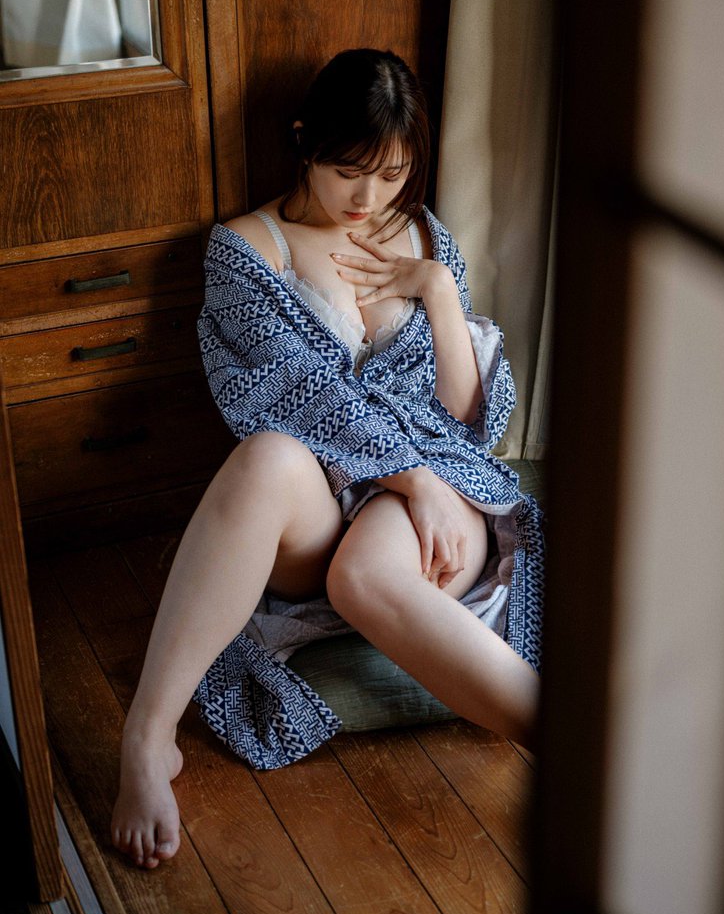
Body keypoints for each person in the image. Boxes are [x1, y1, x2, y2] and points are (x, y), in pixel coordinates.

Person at [111, 48, 544, 869]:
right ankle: (146, 738)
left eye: (392, 175)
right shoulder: (247, 250)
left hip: (430, 496)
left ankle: (567, 749)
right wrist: (408, 475)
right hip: (331, 495)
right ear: (305, 139)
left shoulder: (422, 234)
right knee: (266, 456)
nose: (367, 198)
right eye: (349, 171)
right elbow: (288, 395)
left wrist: (436, 290)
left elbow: (465, 418)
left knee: (365, 571)